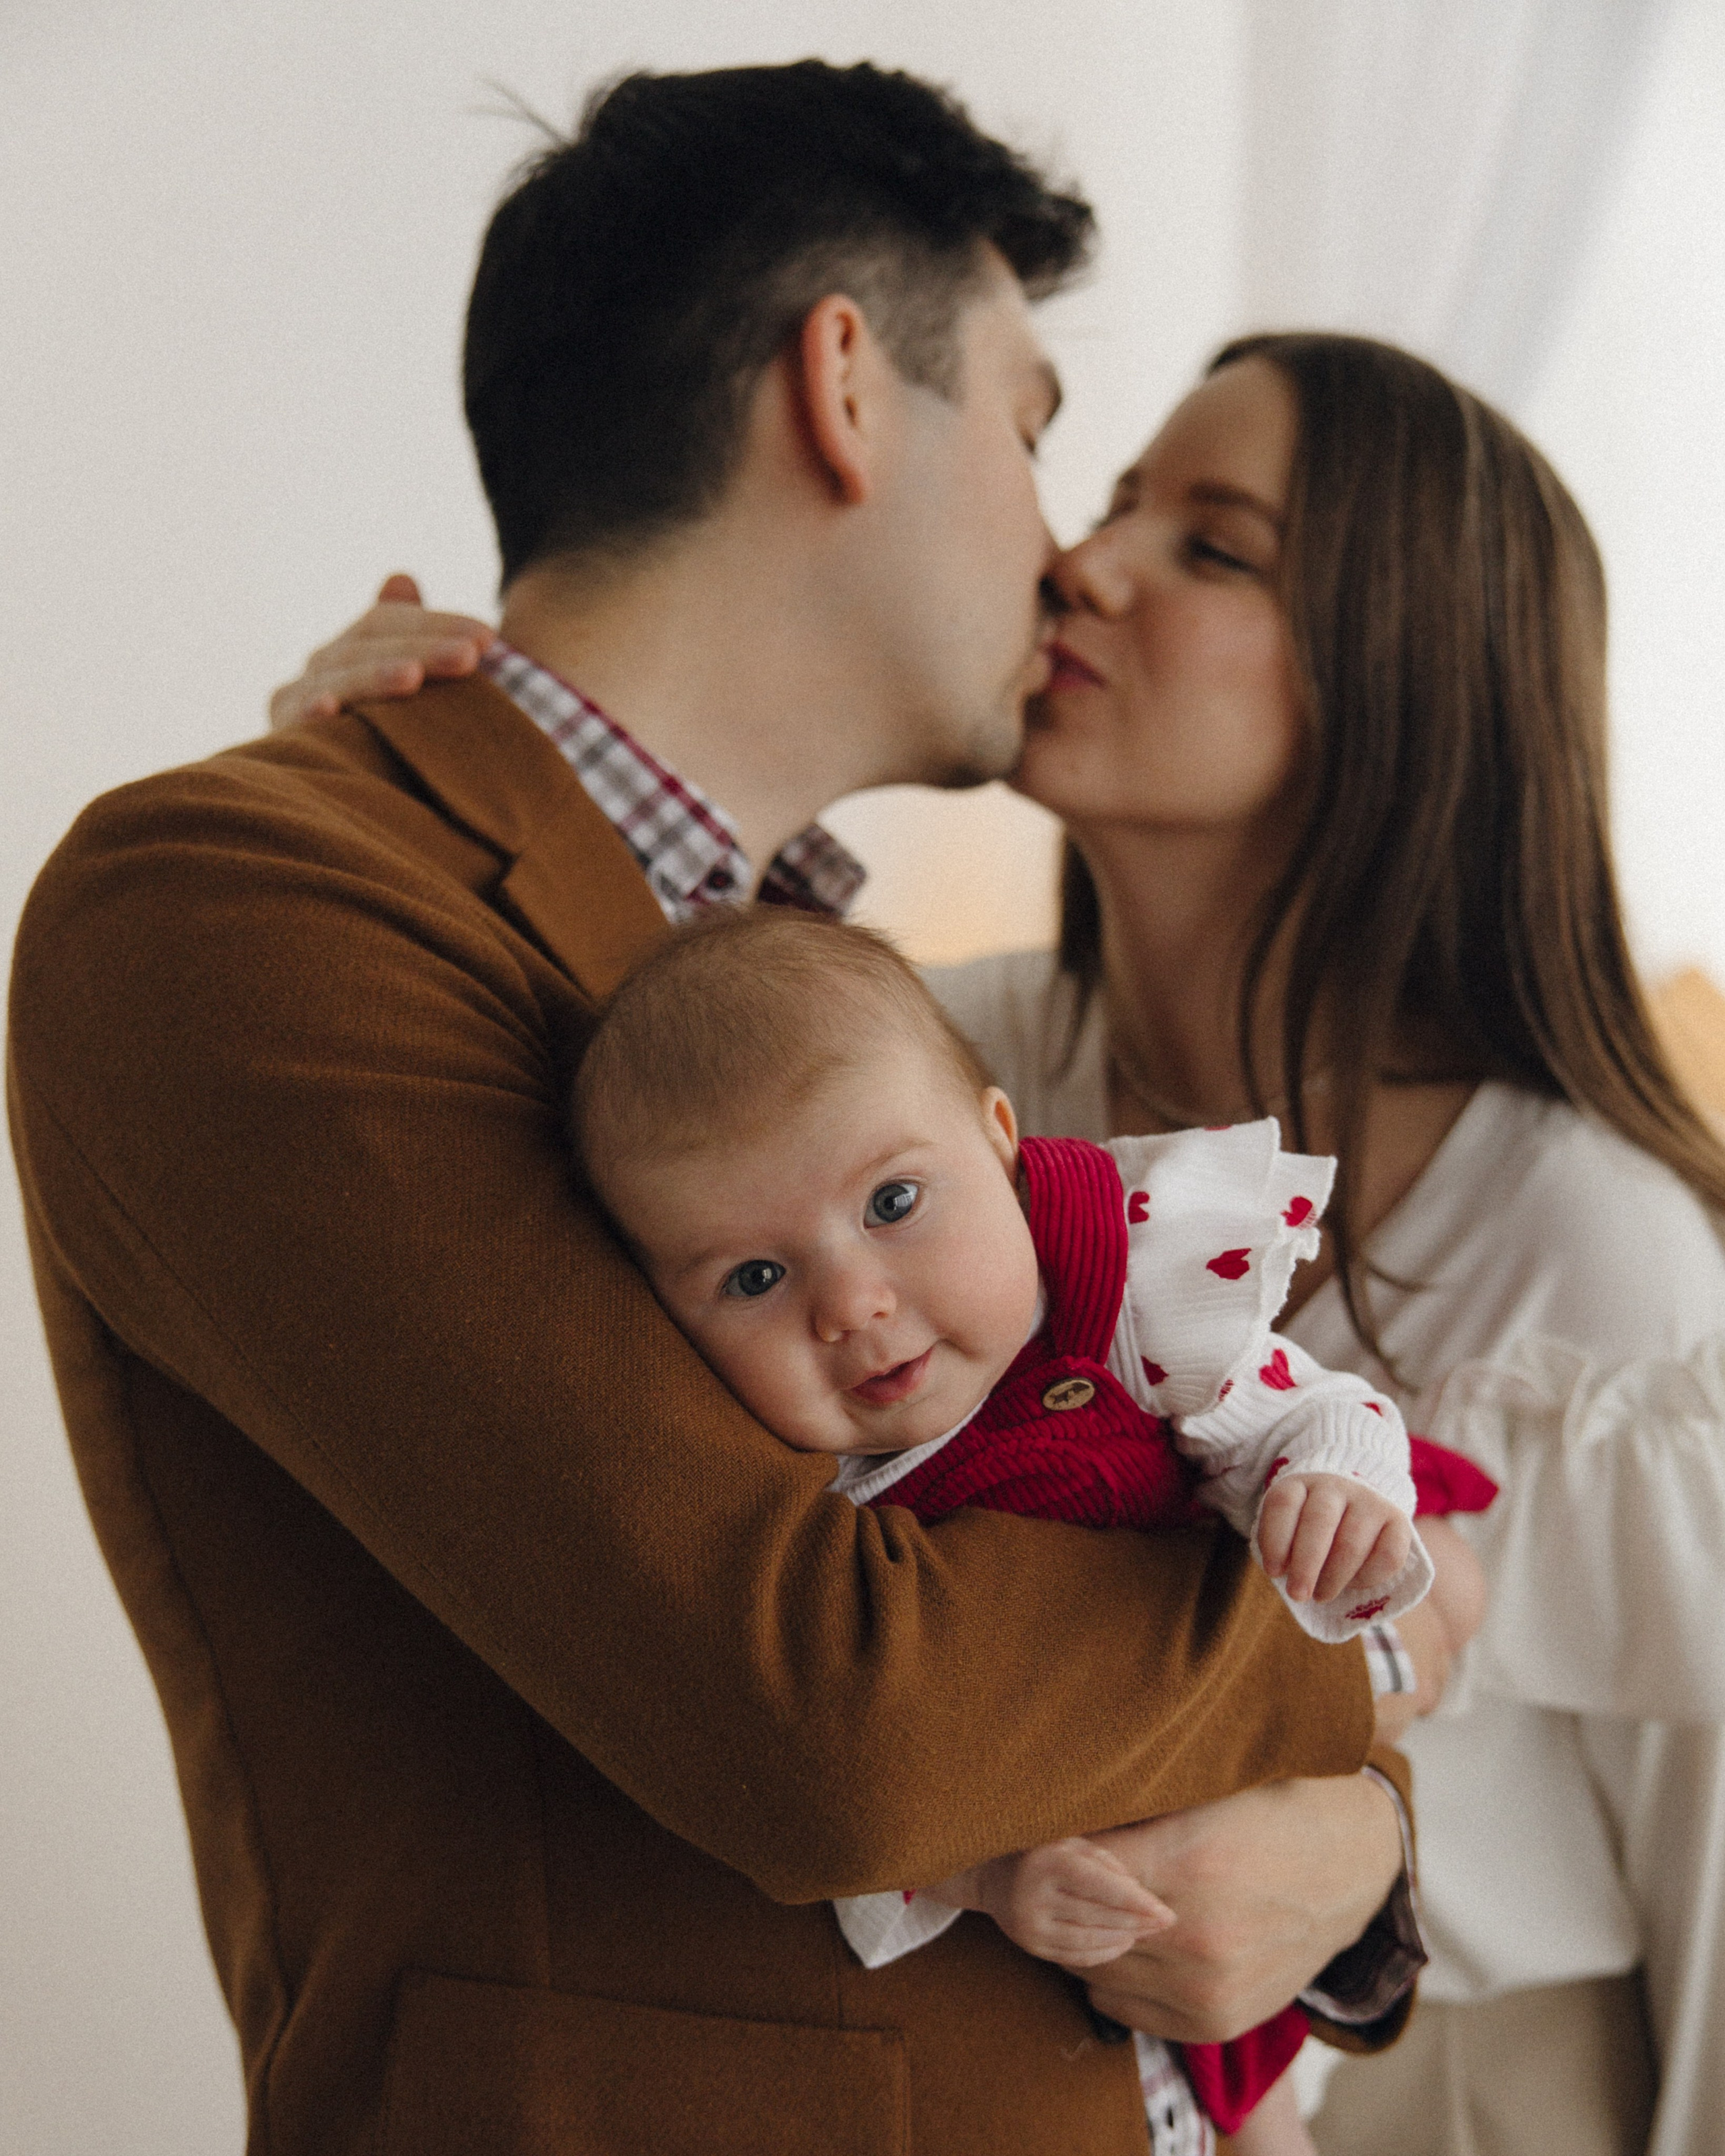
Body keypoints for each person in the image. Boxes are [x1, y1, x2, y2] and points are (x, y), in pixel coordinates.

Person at [8, 68, 1430, 2156]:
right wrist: (1374, 1663)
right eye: (1040, 435)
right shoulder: (238, 899)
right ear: (845, 387)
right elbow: (850, 1730)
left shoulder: (843, 998)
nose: (1067, 556)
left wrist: (1359, 1862)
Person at [289, 329, 1725, 2156]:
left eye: (1214, 546)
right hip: (1083, 2068)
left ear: (1409, 677)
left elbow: (1706, 1858)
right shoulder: (946, 1085)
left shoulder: (1582, 1231)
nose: (1083, 564)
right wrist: (388, 784)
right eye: (1116, 497)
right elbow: (644, 1090)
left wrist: (1361, 1851)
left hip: (1473, 2087)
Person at [562, 903, 1495, 2156]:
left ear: (1002, 1145)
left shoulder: (1129, 1300)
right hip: (1087, 1951)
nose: (855, 1303)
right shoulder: (804, 1522)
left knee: (1256, 2079)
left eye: (894, 1199)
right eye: (754, 1279)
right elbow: (839, 1789)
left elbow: (1308, 1407)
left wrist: (1333, 1486)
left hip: (1257, 1734)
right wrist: (988, 1881)